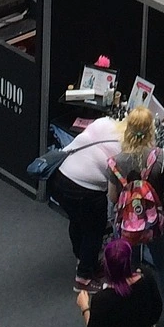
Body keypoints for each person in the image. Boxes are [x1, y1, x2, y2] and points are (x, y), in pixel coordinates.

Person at [108, 104, 164, 327]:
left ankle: (136, 313)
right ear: (151, 130)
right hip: (156, 225)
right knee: (163, 261)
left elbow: (113, 197)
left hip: (126, 227)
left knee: (130, 265)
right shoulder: (162, 157)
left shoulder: (115, 162)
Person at [49, 110, 123, 289]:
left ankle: (83, 259)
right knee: (94, 231)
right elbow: (114, 192)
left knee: (76, 220)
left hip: (58, 178)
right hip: (85, 191)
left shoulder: (104, 122)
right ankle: (83, 278)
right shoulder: (123, 150)